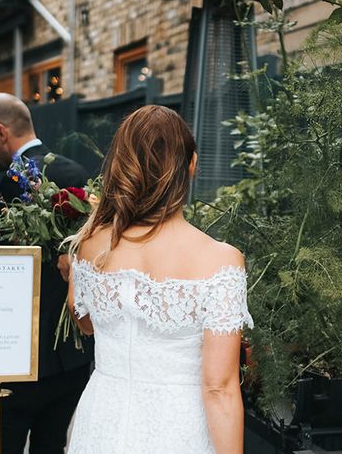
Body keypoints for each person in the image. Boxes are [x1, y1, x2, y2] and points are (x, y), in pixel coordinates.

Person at [65, 105, 253, 454]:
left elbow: (87, 324)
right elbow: (220, 388)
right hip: (178, 430)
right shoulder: (219, 260)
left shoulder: (89, 244)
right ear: (192, 165)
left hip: (102, 423)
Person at [0, 93, 94, 454]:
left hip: (20, 358)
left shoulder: (17, 178)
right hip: (70, 357)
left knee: (0, 444)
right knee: (52, 444)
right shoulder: (74, 172)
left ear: (1, 132)